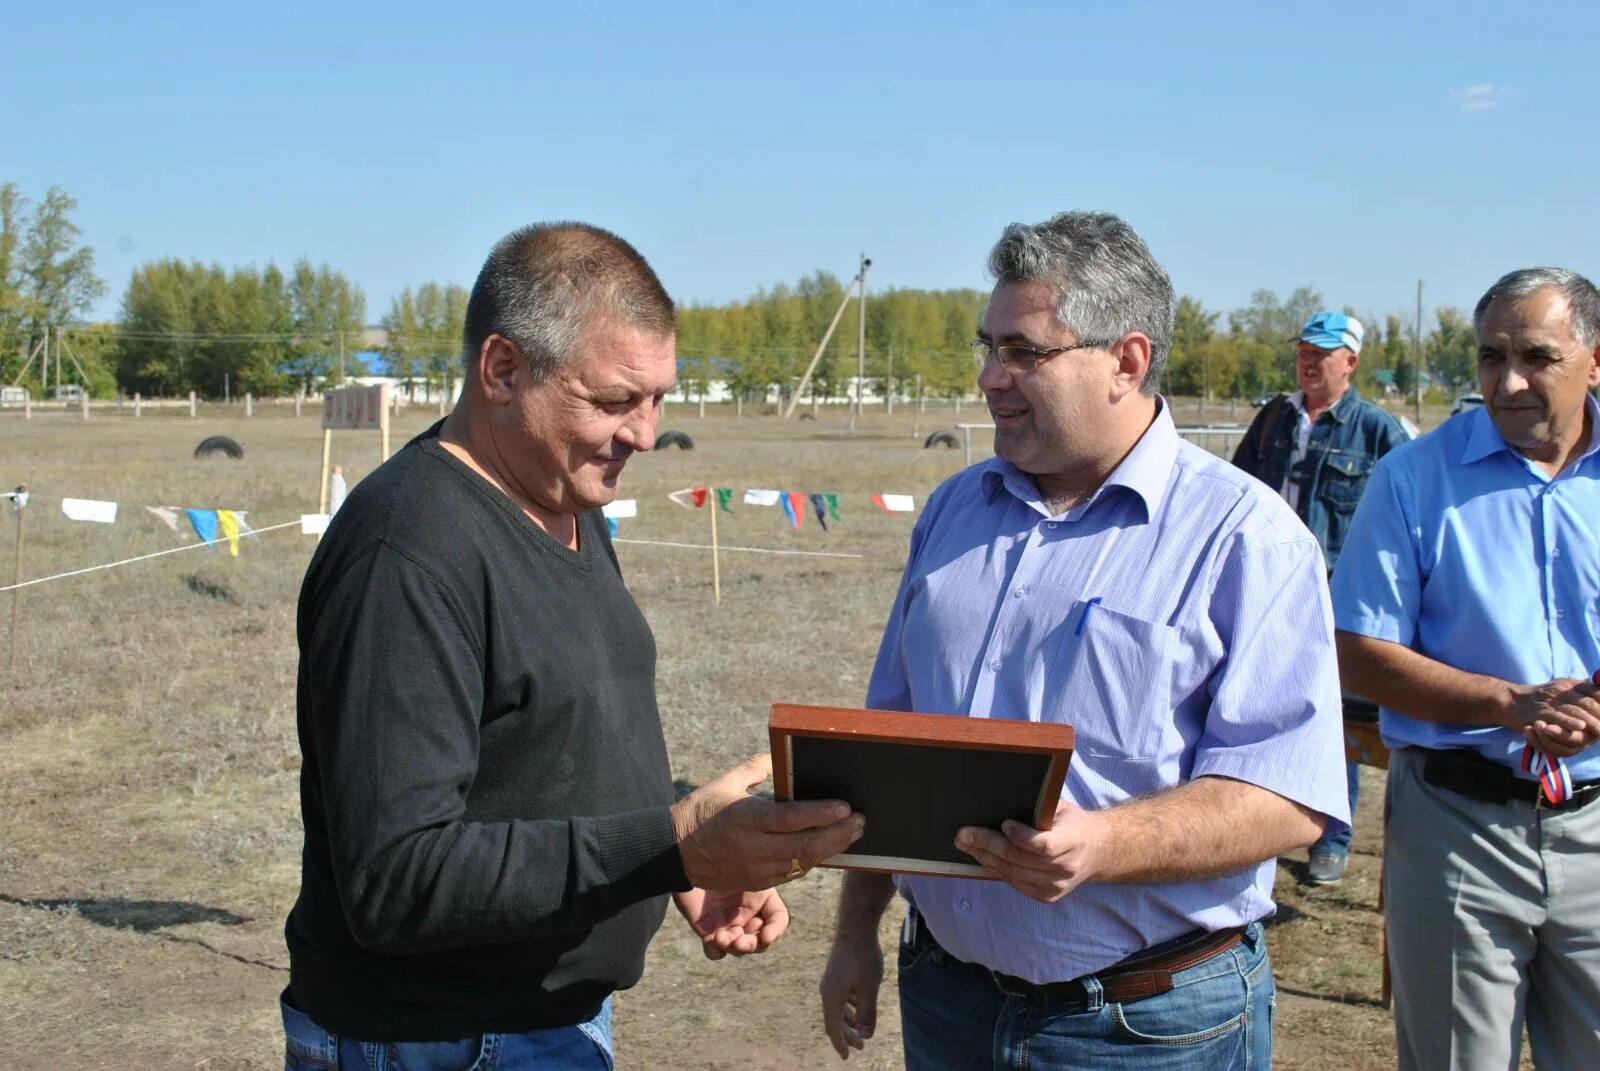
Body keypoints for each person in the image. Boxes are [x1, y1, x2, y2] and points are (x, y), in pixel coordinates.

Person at [283, 222, 862, 1070]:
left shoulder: (568, 503)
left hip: (543, 1025)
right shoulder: (405, 553)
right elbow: (396, 877)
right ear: (503, 370)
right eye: (617, 400)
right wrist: (668, 841)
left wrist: (686, 866)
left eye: (660, 397)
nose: (647, 434)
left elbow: (552, 753)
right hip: (433, 1042)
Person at [818, 211, 1349, 1070]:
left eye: (1024, 352)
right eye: (986, 346)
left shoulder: (1247, 536)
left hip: (1149, 1027)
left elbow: (1287, 795)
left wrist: (1102, 845)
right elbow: (897, 743)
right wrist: (856, 933)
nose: (992, 377)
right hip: (947, 998)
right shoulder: (955, 512)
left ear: (1126, 362)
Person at [1332, 266, 1600, 1070]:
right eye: (1490, 356)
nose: (1507, 380)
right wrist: (1507, 702)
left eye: (1536, 357)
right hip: (1457, 828)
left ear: (1595, 360)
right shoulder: (1414, 477)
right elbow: (1356, 649)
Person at [1231, 311, 1409, 884]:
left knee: (1328, 715)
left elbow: (1399, 521)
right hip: (1262, 590)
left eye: (1323, 353)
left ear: (1350, 362)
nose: (1309, 361)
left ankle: (1331, 833)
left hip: (1333, 597)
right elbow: (1237, 489)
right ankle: (1254, 823)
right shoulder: (1273, 420)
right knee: (1252, 707)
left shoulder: (1378, 432)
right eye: (1304, 351)